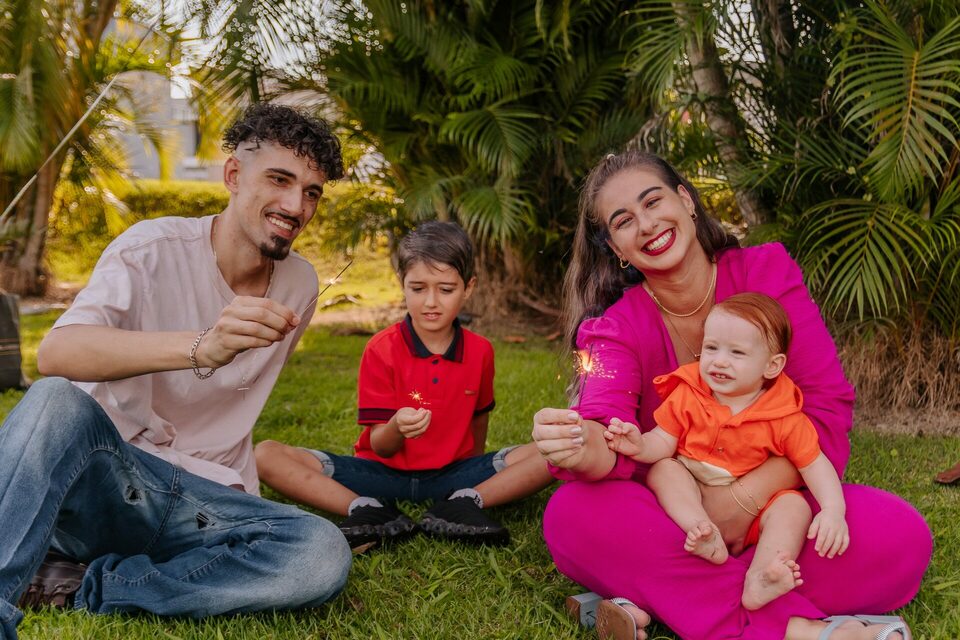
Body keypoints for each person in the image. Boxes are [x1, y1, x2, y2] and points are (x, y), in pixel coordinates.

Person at [532, 150, 929, 640]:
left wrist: (741, 504)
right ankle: (798, 631)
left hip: (773, 520)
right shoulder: (614, 328)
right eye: (624, 221)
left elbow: (824, 410)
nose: (647, 224)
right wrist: (576, 443)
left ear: (686, 200)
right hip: (675, 520)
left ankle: (660, 597)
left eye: (653, 202)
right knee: (572, 516)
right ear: (616, 248)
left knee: (900, 536)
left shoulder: (767, 273)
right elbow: (605, 431)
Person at [0, 103, 352, 640]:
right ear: (233, 175)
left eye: (311, 192)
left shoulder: (300, 284)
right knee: (54, 401)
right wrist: (200, 347)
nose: (295, 206)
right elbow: (58, 352)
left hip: (205, 499)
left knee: (320, 551)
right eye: (279, 180)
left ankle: (85, 585)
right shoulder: (151, 248)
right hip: (112, 480)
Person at [255, 221, 554, 547]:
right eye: (418, 288)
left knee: (557, 451)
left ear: (468, 288)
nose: (431, 302)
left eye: (446, 289)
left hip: (453, 475)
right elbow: (381, 445)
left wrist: (474, 471)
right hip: (380, 475)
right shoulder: (381, 348)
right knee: (265, 455)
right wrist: (397, 426)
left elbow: (479, 420)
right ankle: (366, 509)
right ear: (403, 284)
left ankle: (465, 501)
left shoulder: (481, 351)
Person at [604, 293, 849, 611]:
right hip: (690, 493)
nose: (719, 361)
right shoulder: (689, 393)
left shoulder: (784, 416)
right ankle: (703, 530)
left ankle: (761, 576)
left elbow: (814, 465)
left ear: (772, 366)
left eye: (737, 352)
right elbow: (662, 441)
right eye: (711, 348)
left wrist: (833, 510)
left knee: (794, 506)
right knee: (664, 468)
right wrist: (640, 445)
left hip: (751, 516)